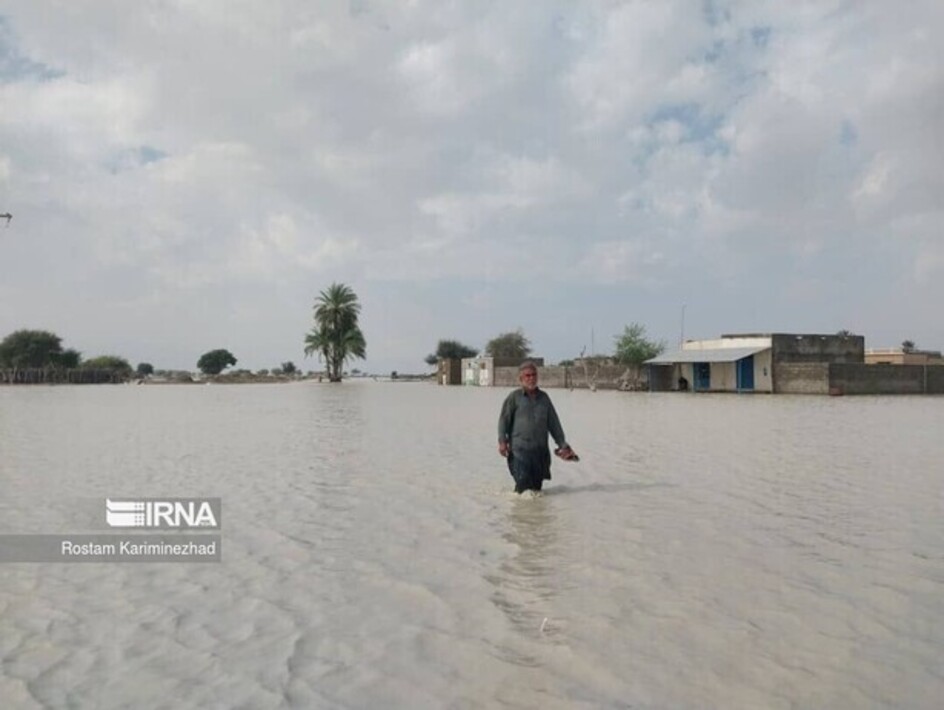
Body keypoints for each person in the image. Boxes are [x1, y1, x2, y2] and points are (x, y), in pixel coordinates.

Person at [497, 361, 577, 493]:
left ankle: (535, 514)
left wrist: (563, 445)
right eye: (527, 375)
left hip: (540, 453)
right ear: (521, 378)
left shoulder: (544, 398)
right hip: (519, 451)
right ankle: (517, 513)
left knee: (535, 490)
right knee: (523, 487)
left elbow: (554, 423)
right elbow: (503, 420)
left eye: (534, 375)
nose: (531, 378)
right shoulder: (514, 398)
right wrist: (502, 441)